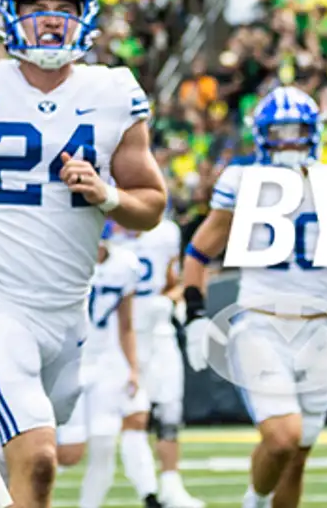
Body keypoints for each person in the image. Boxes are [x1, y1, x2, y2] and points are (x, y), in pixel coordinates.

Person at [0, 0, 169, 508]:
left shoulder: (113, 91)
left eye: (65, 8)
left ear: (86, 19)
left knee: (8, 459)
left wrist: (106, 195)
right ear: (11, 16)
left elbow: (150, 204)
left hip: (68, 308)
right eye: (38, 8)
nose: (52, 20)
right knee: (37, 458)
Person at [180, 87, 327, 508]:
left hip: (318, 331)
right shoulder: (242, 180)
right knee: (282, 438)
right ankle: (253, 502)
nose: (290, 142)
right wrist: (196, 314)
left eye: (298, 133)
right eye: (281, 133)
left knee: (297, 457)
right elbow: (200, 250)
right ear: (262, 136)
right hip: (261, 322)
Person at [54, 227, 154, 508]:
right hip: (68, 360)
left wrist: (132, 368)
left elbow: (126, 324)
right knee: (69, 453)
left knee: (104, 445)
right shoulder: (64, 258)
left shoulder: (125, 265)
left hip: (105, 362)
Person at [119, 213, 201, 508]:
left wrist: (168, 301)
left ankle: (170, 486)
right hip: (118, 334)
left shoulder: (166, 232)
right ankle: (148, 491)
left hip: (158, 330)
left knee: (169, 411)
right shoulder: (107, 228)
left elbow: (173, 282)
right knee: (134, 414)